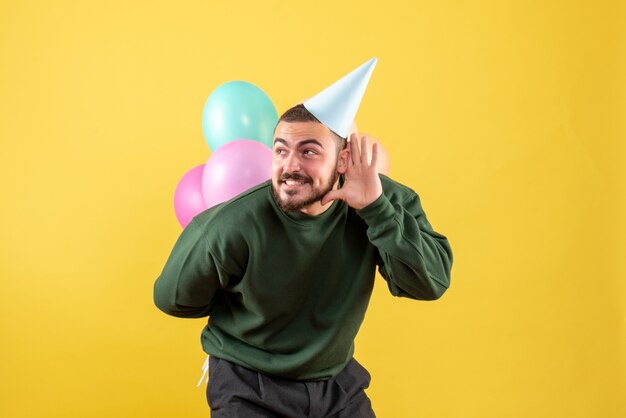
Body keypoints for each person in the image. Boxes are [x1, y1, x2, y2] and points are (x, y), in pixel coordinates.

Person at [154, 60, 453, 417]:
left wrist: (375, 209)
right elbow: (171, 298)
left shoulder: (383, 202)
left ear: (343, 161)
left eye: (308, 151)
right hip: (248, 385)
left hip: (336, 384)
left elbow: (430, 283)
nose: (290, 165)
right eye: (281, 150)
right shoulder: (233, 223)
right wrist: (243, 321)